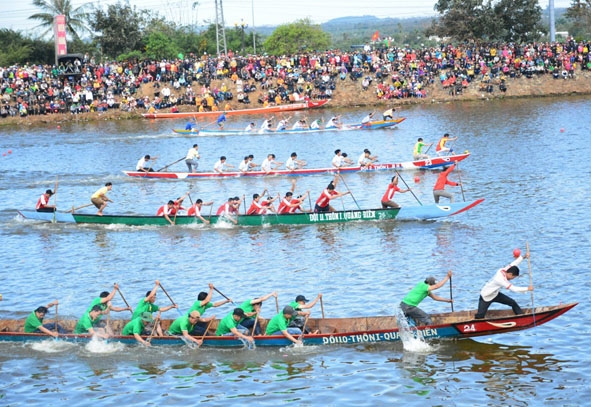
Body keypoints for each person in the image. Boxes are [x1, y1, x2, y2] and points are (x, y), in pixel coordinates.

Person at [475, 252, 533, 319]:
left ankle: (521, 317)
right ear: (510, 274)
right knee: (480, 316)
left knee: (512, 302)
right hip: (486, 296)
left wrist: (523, 257)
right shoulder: (500, 280)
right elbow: (514, 289)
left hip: (495, 294)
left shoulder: (504, 270)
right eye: (513, 277)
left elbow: (514, 264)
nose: (511, 279)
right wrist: (527, 288)